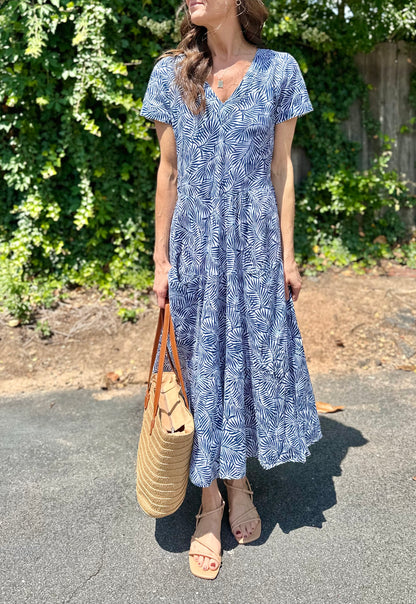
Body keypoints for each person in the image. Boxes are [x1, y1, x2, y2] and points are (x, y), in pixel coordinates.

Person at [140, 0, 323, 580]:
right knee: (199, 369)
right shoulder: (171, 73)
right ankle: (210, 502)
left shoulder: (279, 70)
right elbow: (168, 171)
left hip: (255, 249)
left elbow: (281, 170)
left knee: (247, 364)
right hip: (194, 249)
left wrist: (289, 256)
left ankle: (239, 480)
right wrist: (160, 258)